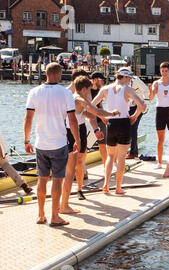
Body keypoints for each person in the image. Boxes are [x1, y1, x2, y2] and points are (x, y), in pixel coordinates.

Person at [24, 63, 79, 227]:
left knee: (41, 179)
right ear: (59, 74)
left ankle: (41, 215)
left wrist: (26, 140)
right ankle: (55, 216)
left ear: (46, 73)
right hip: (59, 143)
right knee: (57, 180)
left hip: (41, 143)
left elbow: (28, 118)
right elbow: (72, 119)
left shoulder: (34, 92)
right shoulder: (66, 93)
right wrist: (77, 140)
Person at [60, 76, 119, 214]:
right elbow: (96, 112)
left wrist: (96, 130)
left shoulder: (78, 99)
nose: (90, 93)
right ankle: (64, 203)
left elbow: (89, 115)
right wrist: (112, 113)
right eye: (89, 90)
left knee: (80, 162)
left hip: (80, 129)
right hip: (70, 132)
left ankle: (79, 189)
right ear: (85, 89)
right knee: (70, 168)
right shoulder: (78, 98)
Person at [91, 68, 147, 194]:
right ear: (125, 77)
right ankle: (118, 188)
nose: (129, 82)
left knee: (110, 156)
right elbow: (143, 106)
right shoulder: (127, 89)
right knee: (121, 157)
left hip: (111, 123)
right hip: (124, 123)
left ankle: (105, 184)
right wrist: (135, 116)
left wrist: (102, 116)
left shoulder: (105, 89)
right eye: (129, 79)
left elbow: (91, 106)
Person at [148, 62, 169, 169]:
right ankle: (160, 163)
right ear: (160, 71)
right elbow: (151, 98)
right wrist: (150, 90)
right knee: (160, 139)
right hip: (160, 111)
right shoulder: (157, 83)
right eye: (162, 71)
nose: (164, 73)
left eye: (166, 71)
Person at [127, 71, 149, 159]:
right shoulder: (121, 82)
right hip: (128, 107)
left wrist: (145, 105)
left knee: (133, 127)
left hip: (138, 106)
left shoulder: (135, 80)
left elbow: (146, 90)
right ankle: (134, 151)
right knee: (129, 128)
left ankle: (133, 153)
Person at [90, 71, 108, 166]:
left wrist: (104, 117)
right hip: (90, 121)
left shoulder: (99, 91)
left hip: (100, 120)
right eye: (102, 80)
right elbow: (90, 107)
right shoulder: (87, 90)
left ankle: (106, 166)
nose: (103, 82)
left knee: (103, 145)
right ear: (95, 79)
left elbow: (100, 106)